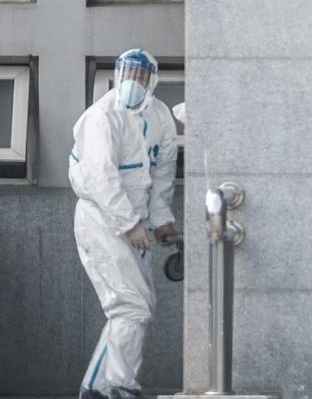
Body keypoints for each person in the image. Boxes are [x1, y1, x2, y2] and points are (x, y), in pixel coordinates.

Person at [69, 49, 179, 399]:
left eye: (140, 75)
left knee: (136, 306)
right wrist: (129, 225)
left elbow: (162, 175)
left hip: (136, 223)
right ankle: (118, 385)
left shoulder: (160, 116)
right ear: (118, 75)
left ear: (152, 80)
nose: (133, 81)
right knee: (131, 306)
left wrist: (161, 221)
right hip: (101, 219)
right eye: (127, 73)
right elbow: (100, 178)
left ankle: (97, 388)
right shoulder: (101, 116)